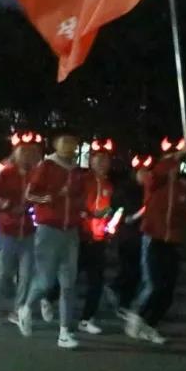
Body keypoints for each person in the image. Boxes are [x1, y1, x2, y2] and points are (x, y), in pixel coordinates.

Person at [125, 138, 186, 345]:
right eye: (170, 160)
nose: (173, 165)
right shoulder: (154, 182)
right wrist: (178, 154)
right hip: (153, 238)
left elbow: (184, 216)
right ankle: (137, 315)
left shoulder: (183, 188)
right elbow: (159, 171)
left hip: (172, 241)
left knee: (168, 289)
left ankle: (151, 324)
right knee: (154, 285)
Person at [17, 130, 86, 350]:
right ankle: (26, 307)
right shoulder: (47, 166)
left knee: (68, 283)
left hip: (71, 231)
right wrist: (55, 195)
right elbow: (30, 195)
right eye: (64, 141)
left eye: (72, 141)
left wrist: (85, 211)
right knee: (46, 281)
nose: (69, 145)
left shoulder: (77, 170)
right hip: (49, 230)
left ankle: (64, 332)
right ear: (56, 144)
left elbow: (80, 197)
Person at [0, 134, 41, 327]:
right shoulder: (5, 172)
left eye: (31, 151)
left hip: (30, 232)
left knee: (26, 274)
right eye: (23, 150)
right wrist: (8, 206)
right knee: (2, 273)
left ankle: (18, 310)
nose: (27, 154)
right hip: (7, 231)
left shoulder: (37, 174)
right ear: (15, 152)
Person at [73, 141, 117, 335]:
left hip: (98, 239)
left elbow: (110, 210)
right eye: (98, 159)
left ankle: (87, 318)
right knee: (69, 277)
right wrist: (90, 215)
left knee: (96, 281)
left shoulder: (109, 185)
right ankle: (48, 297)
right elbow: (73, 205)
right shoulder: (82, 180)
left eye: (105, 159)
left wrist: (108, 225)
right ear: (91, 161)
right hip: (79, 237)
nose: (102, 163)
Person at [106, 155, 152, 320]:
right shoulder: (127, 190)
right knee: (130, 269)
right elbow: (124, 214)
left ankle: (122, 297)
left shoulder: (149, 190)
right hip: (128, 235)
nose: (145, 175)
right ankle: (121, 299)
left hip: (144, 235)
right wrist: (141, 212)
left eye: (147, 172)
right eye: (142, 172)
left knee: (137, 271)